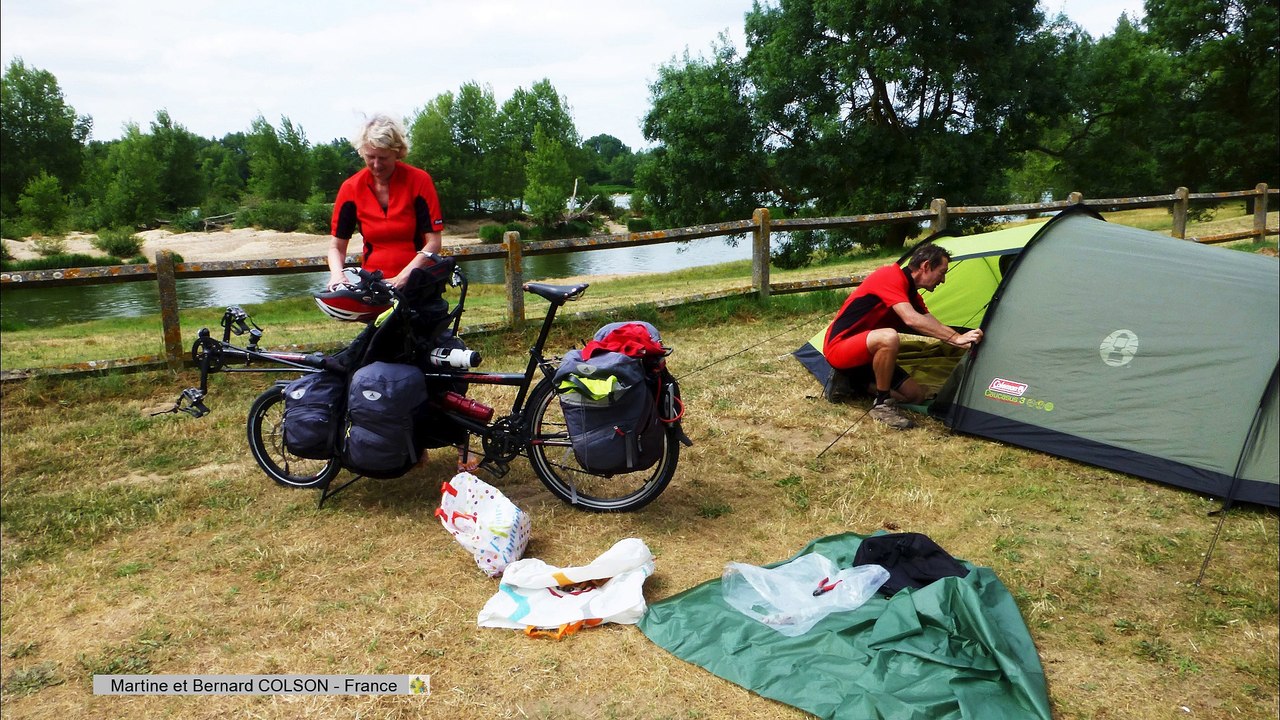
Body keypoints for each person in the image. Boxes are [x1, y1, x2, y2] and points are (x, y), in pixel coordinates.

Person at [822, 243, 984, 429]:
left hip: (868, 354)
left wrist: (962, 338)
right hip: (840, 347)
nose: (943, 280)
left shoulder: (911, 293)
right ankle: (881, 404)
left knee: (916, 395)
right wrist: (955, 339)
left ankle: (852, 383)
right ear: (925, 266)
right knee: (888, 337)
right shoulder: (889, 276)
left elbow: (930, 322)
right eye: (942, 272)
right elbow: (911, 319)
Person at [326, 114, 445, 292]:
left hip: (419, 282)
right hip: (374, 286)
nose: (376, 165)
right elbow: (337, 247)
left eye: (383, 158)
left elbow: (434, 243)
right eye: (370, 157)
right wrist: (337, 275)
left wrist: (402, 278)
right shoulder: (350, 188)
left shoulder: (419, 180)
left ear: (397, 152)